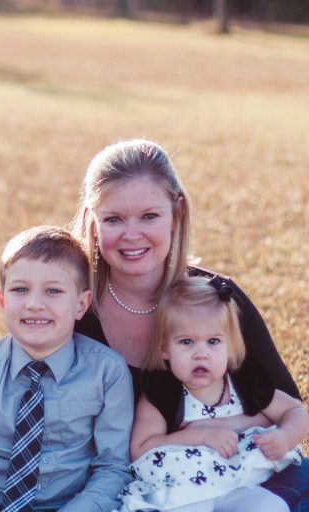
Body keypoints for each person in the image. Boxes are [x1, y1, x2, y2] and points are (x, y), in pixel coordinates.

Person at [72, 138, 309, 511]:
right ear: (92, 220)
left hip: (241, 473)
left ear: (177, 212)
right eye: (114, 219)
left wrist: (215, 431)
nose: (132, 234)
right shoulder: (74, 308)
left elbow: (284, 405)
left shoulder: (214, 300)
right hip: (137, 487)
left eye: (150, 216)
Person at [0, 225, 134, 512]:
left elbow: (112, 469)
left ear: (81, 304)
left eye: (53, 291)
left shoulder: (107, 372)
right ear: (2, 299)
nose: (34, 304)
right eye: (20, 290)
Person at [118, 275, 308, 512]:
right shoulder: (162, 392)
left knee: (270, 506)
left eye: (213, 341)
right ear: (164, 349)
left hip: (245, 484)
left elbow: (295, 411)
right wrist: (202, 436)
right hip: (184, 492)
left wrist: (286, 436)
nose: (201, 353)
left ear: (230, 346)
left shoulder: (245, 380)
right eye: (187, 341)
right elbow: (141, 449)